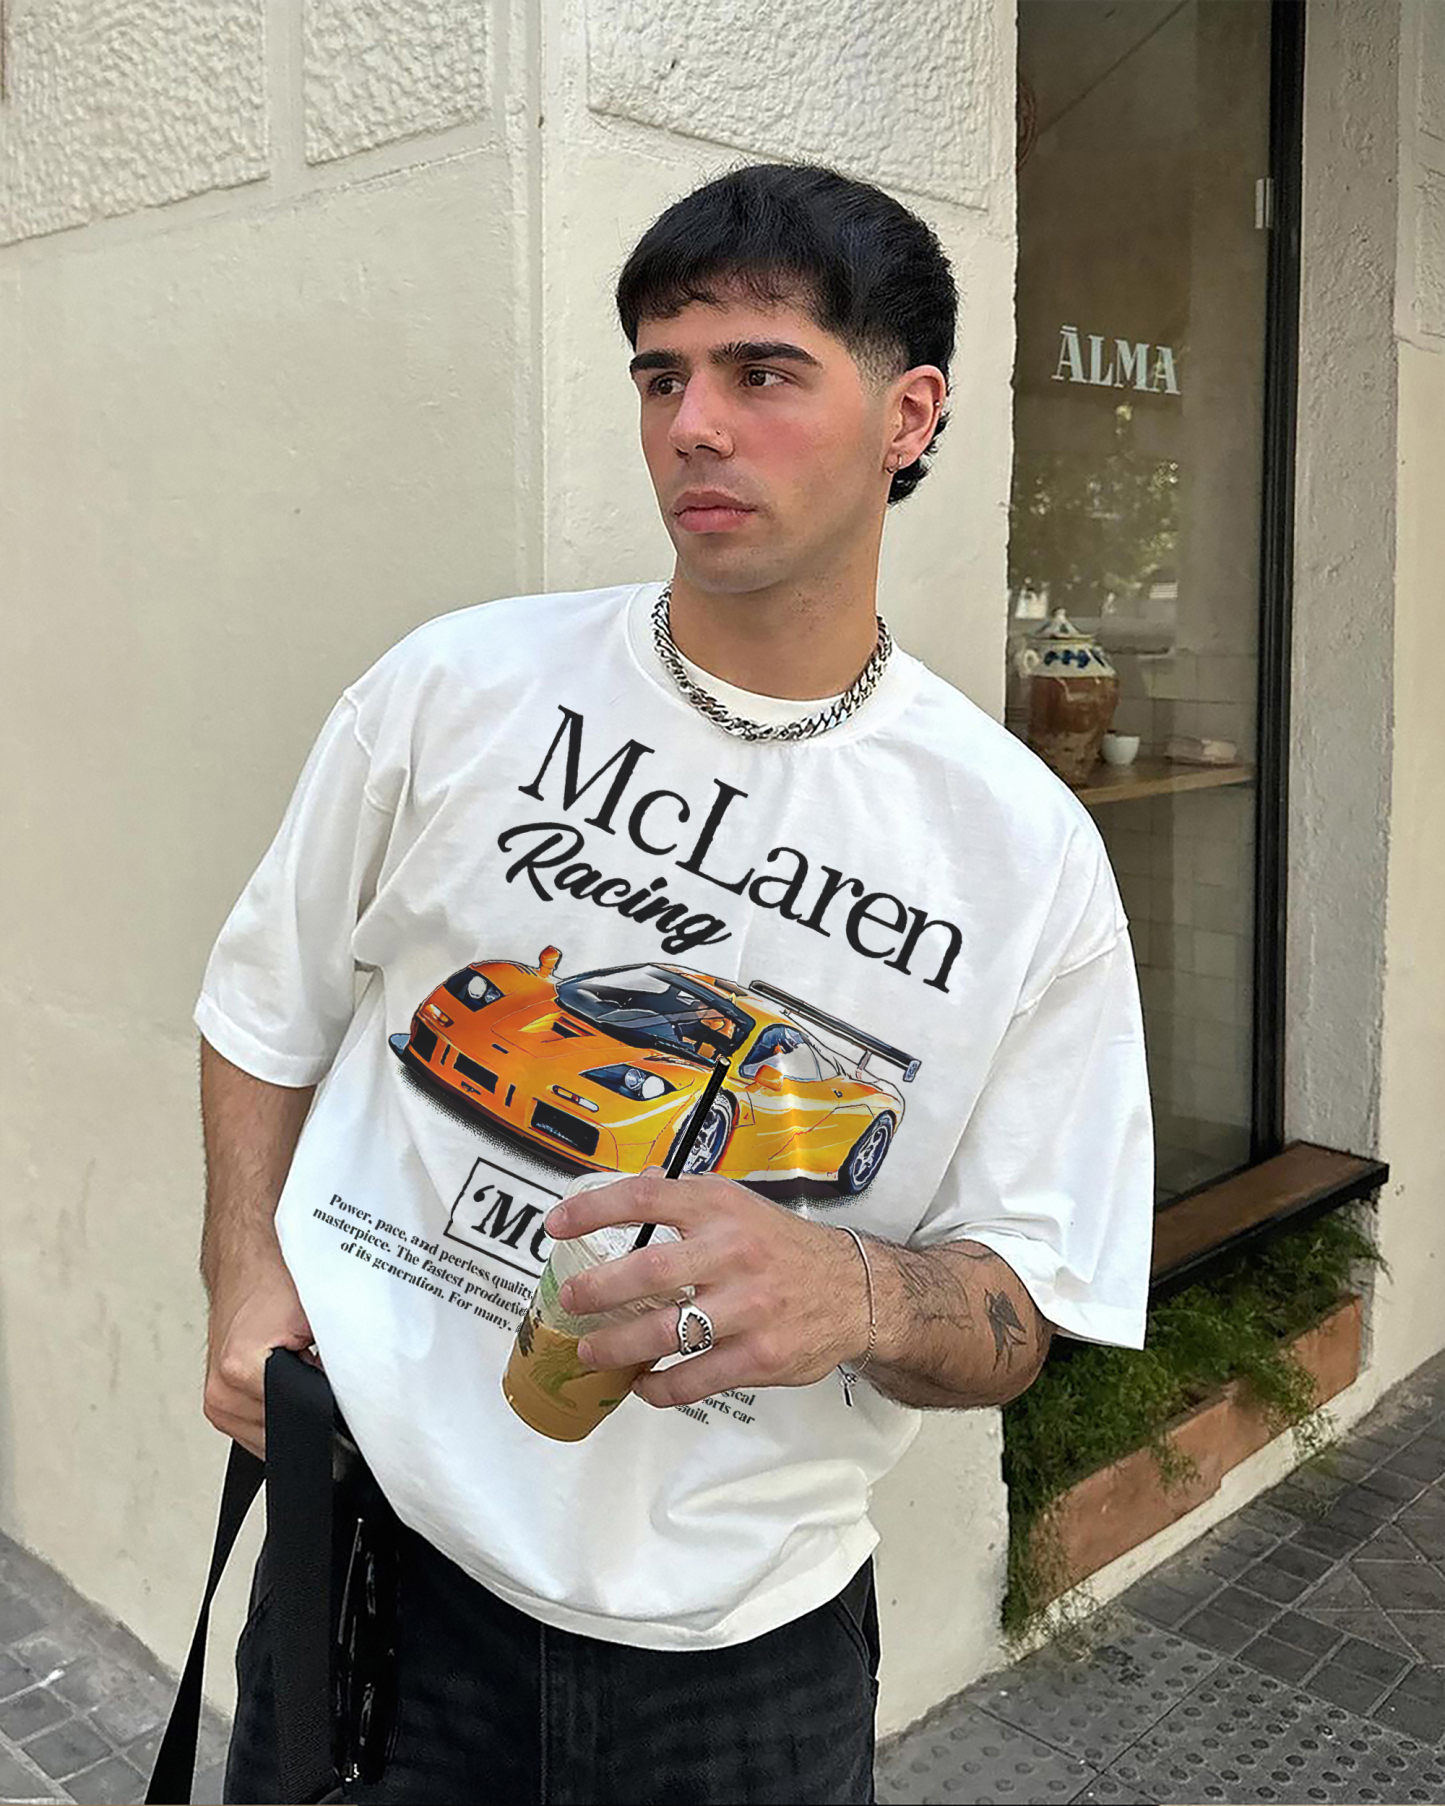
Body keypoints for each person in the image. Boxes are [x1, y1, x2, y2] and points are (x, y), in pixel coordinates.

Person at [196, 160, 1155, 1805]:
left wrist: (853, 1292)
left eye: (761, 371)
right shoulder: (455, 688)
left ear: (908, 415)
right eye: (661, 376)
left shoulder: (1022, 851)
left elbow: (1024, 1301)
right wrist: (241, 1274)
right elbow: (264, 1003)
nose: (692, 426)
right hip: (371, 1543)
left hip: (741, 1653)